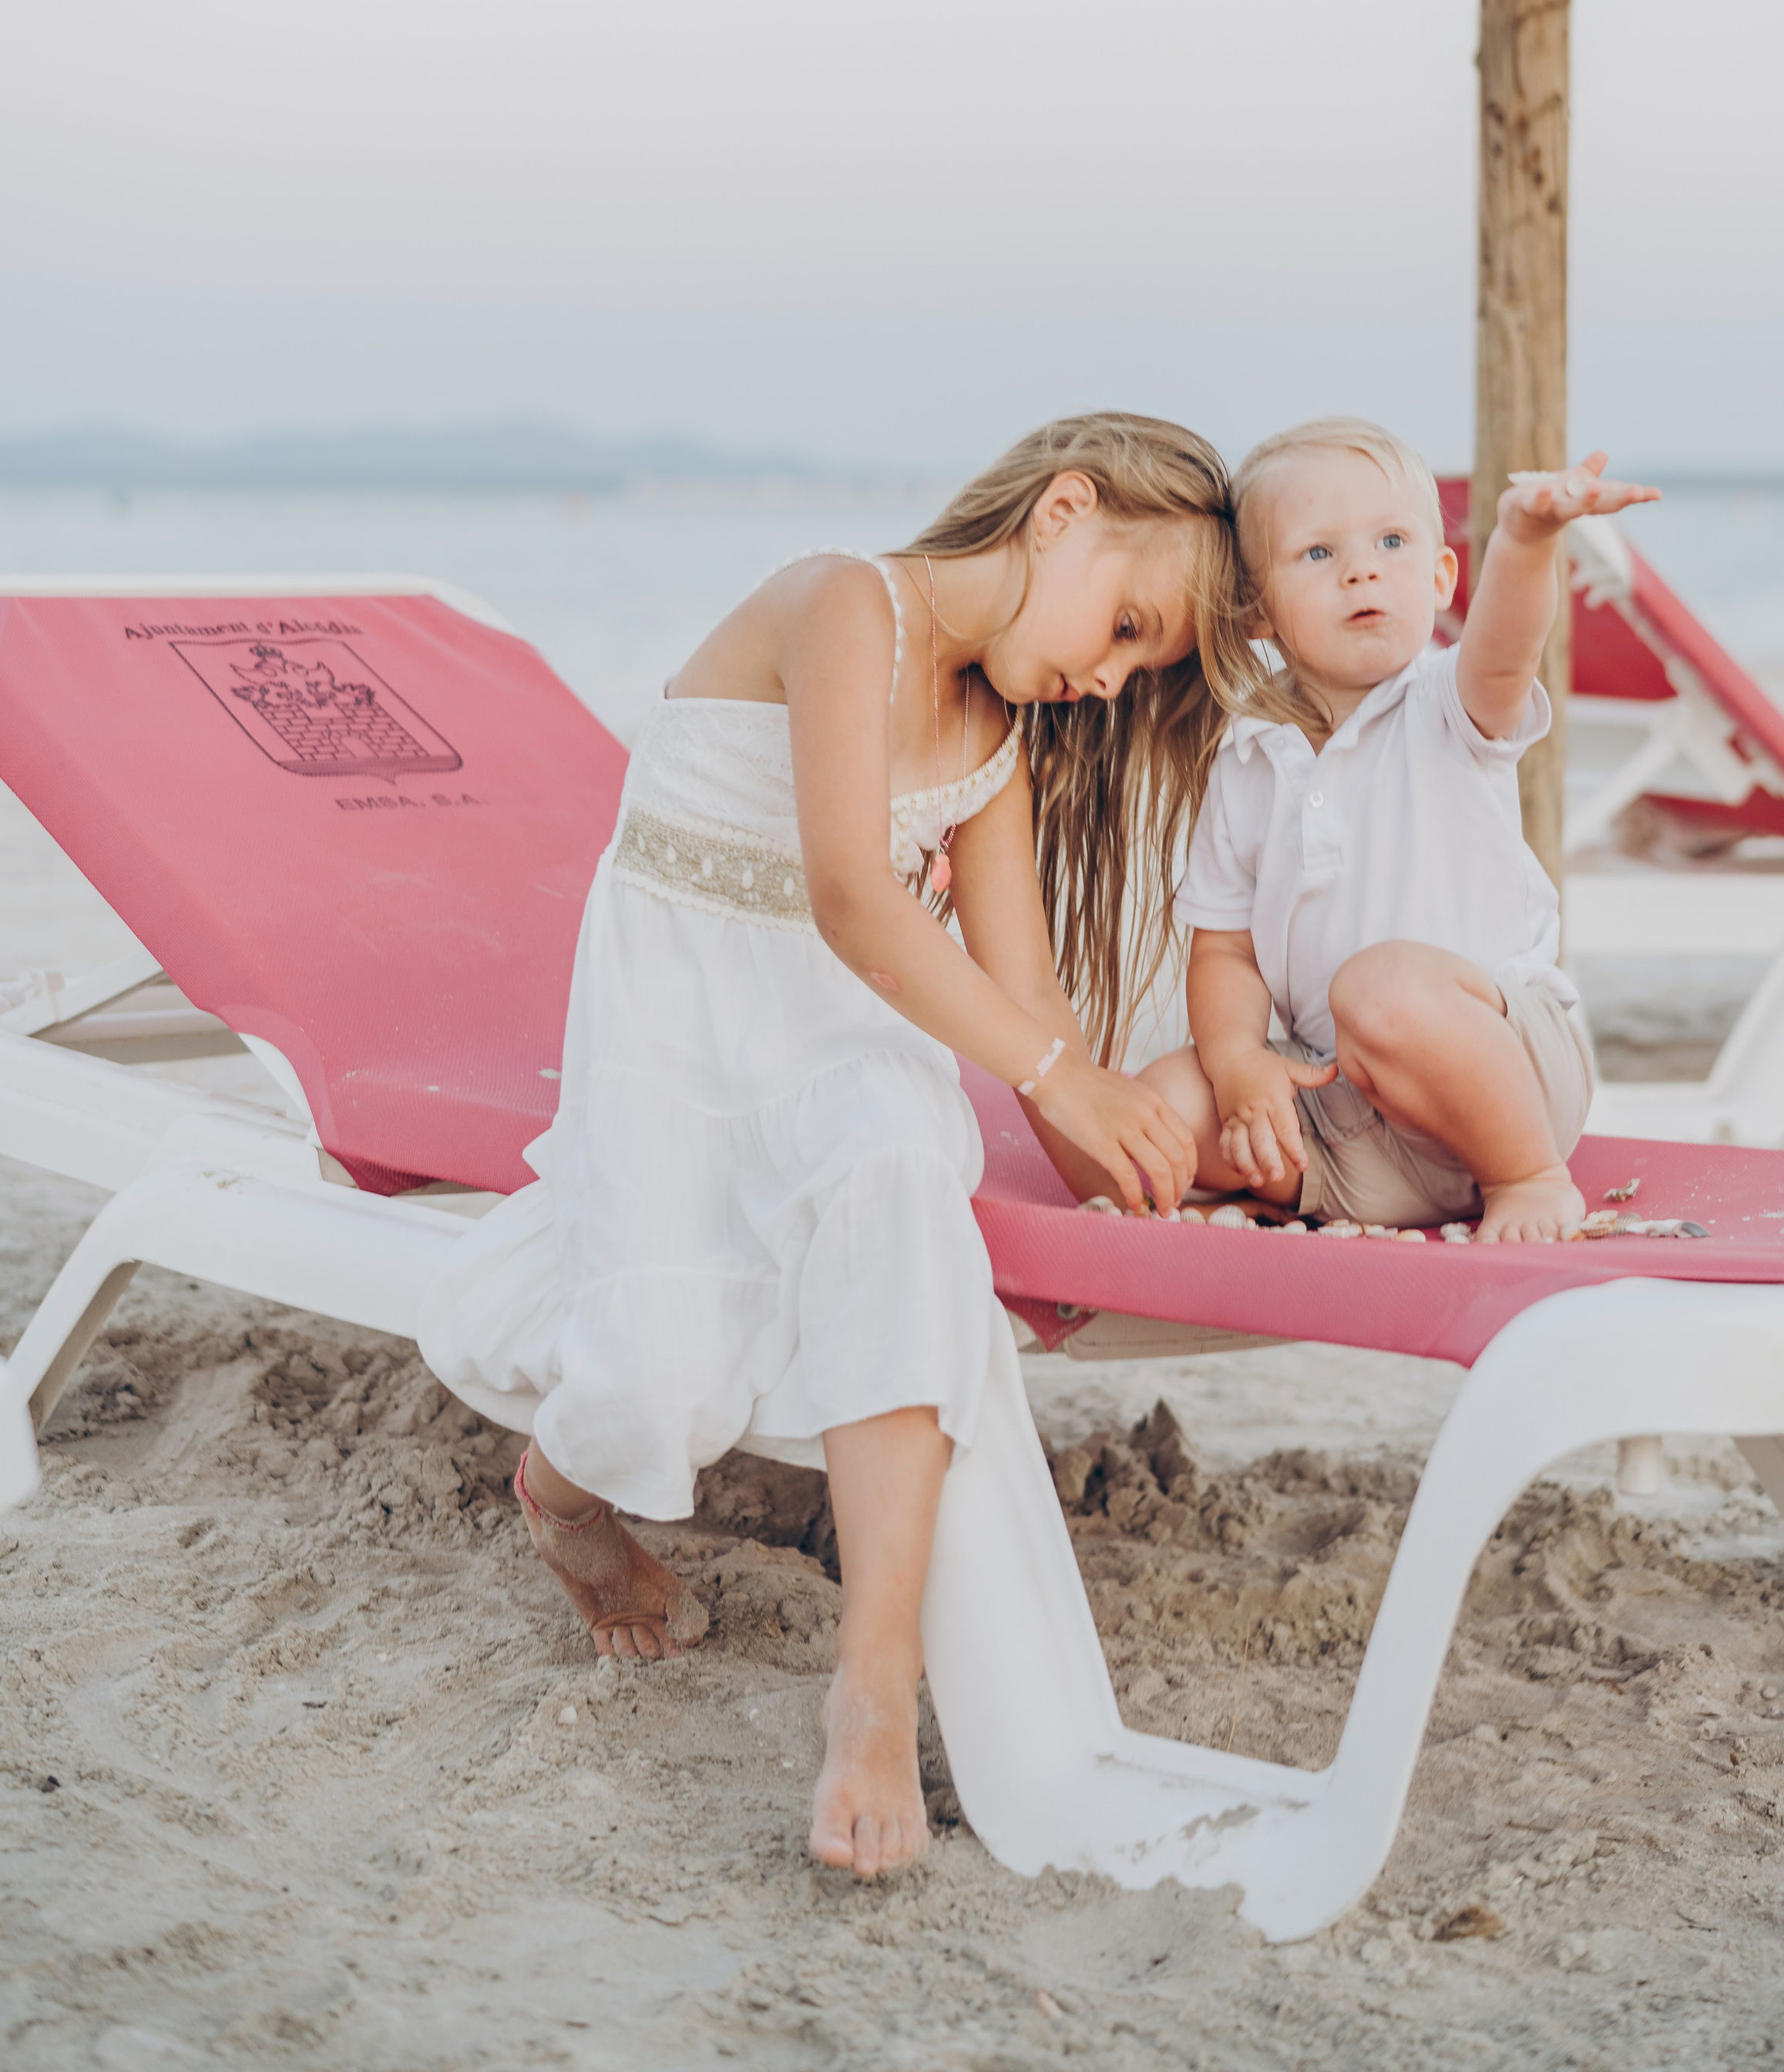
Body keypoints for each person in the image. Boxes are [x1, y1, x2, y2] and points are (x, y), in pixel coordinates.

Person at [419, 415, 1262, 1880]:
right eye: (1128, 627)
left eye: (1140, 670)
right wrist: (1056, 1079)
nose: (1111, 677)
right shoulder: (844, 602)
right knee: (656, 1384)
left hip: (838, 1046)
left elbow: (1031, 1009)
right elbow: (853, 895)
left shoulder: (998, 743)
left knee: (900, 1180)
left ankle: (873, 1686)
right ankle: (558, 1495)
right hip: (678, 1029)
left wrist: (1132, 1160)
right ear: (1065, 510)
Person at [1140, 419, 1658, 1247]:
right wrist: (1239, 1064)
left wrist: (1525, 541)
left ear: (1442, 577)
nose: (1362, 570)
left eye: (1391, 542)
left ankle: (1528, 1181)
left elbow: (1507, 651)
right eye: (1318, 553)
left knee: (1377, 990)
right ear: (1255, 611)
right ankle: (1310, 1190)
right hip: (1347, 1108)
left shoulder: (1447, 704)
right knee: (1157, 1109)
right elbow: (1225, 951)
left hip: (1507, 1081)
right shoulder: (1245, 761)